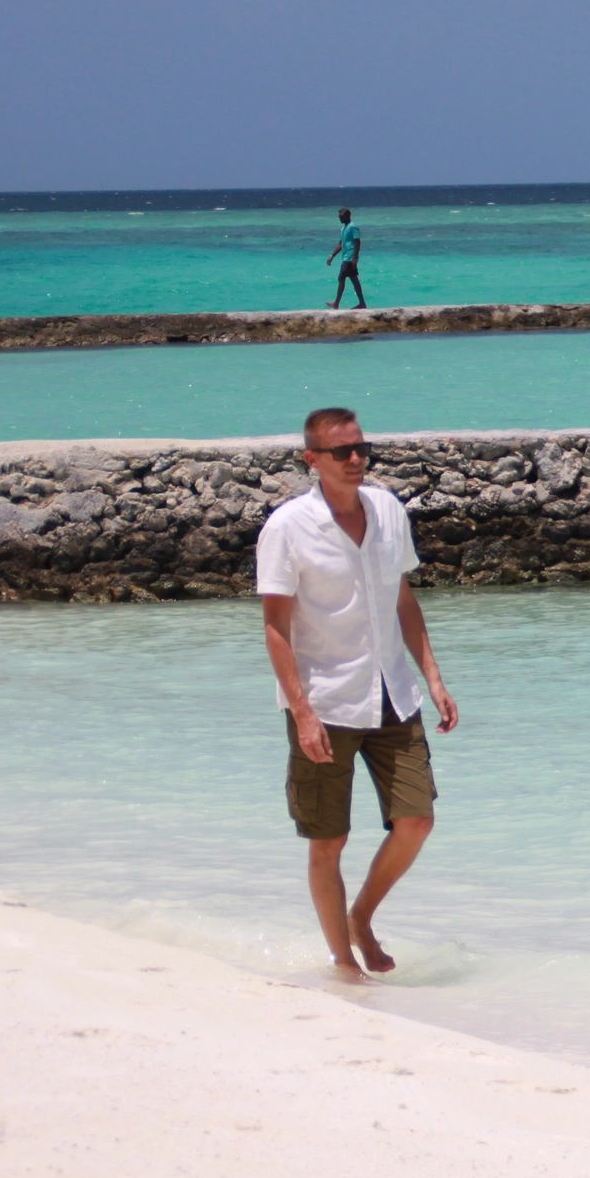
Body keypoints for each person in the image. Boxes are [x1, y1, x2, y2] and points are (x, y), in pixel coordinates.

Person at [257, 407, 459, 978]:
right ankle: (344, 965)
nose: (355, 459)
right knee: (329, 838)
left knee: (416, 819)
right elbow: (276, 627)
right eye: (341, 451)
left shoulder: (389, 511)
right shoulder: (288, 527)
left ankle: (360, 917)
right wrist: (302, 712)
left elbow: (403, 600)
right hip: (326, 699)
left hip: (394, 691)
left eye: (361, 448)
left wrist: (434, 678)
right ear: (311, 460)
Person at [327, 207, 367, 309]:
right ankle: (362, 303)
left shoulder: (353, 227)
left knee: (341, 278)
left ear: (347, 216)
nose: (339, 219)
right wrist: (332, 256)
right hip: (345, 257)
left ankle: (336, 303)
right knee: (354, 280)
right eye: (339, 217)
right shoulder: (343, 228)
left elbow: (357, 242)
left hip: (349, 258)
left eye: (341, 217)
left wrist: (355, 258)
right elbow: (341, 244)